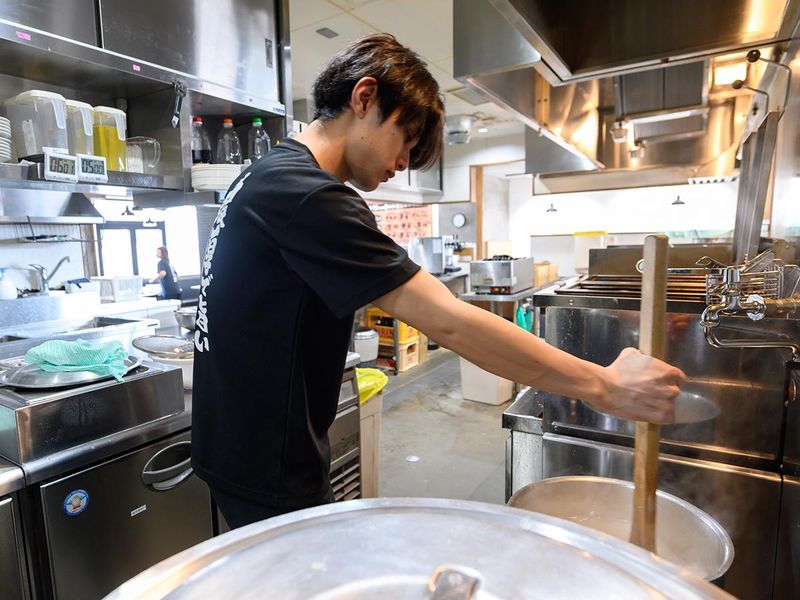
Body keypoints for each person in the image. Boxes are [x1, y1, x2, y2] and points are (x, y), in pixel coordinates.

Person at [191, 34, 686, 529]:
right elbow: (450, 322)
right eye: (406, 138)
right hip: (268, 462)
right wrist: (603, 385)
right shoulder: (306, 194)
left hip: (236, 444)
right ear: (365, 98)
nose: (404, 162)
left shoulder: (267, 174)